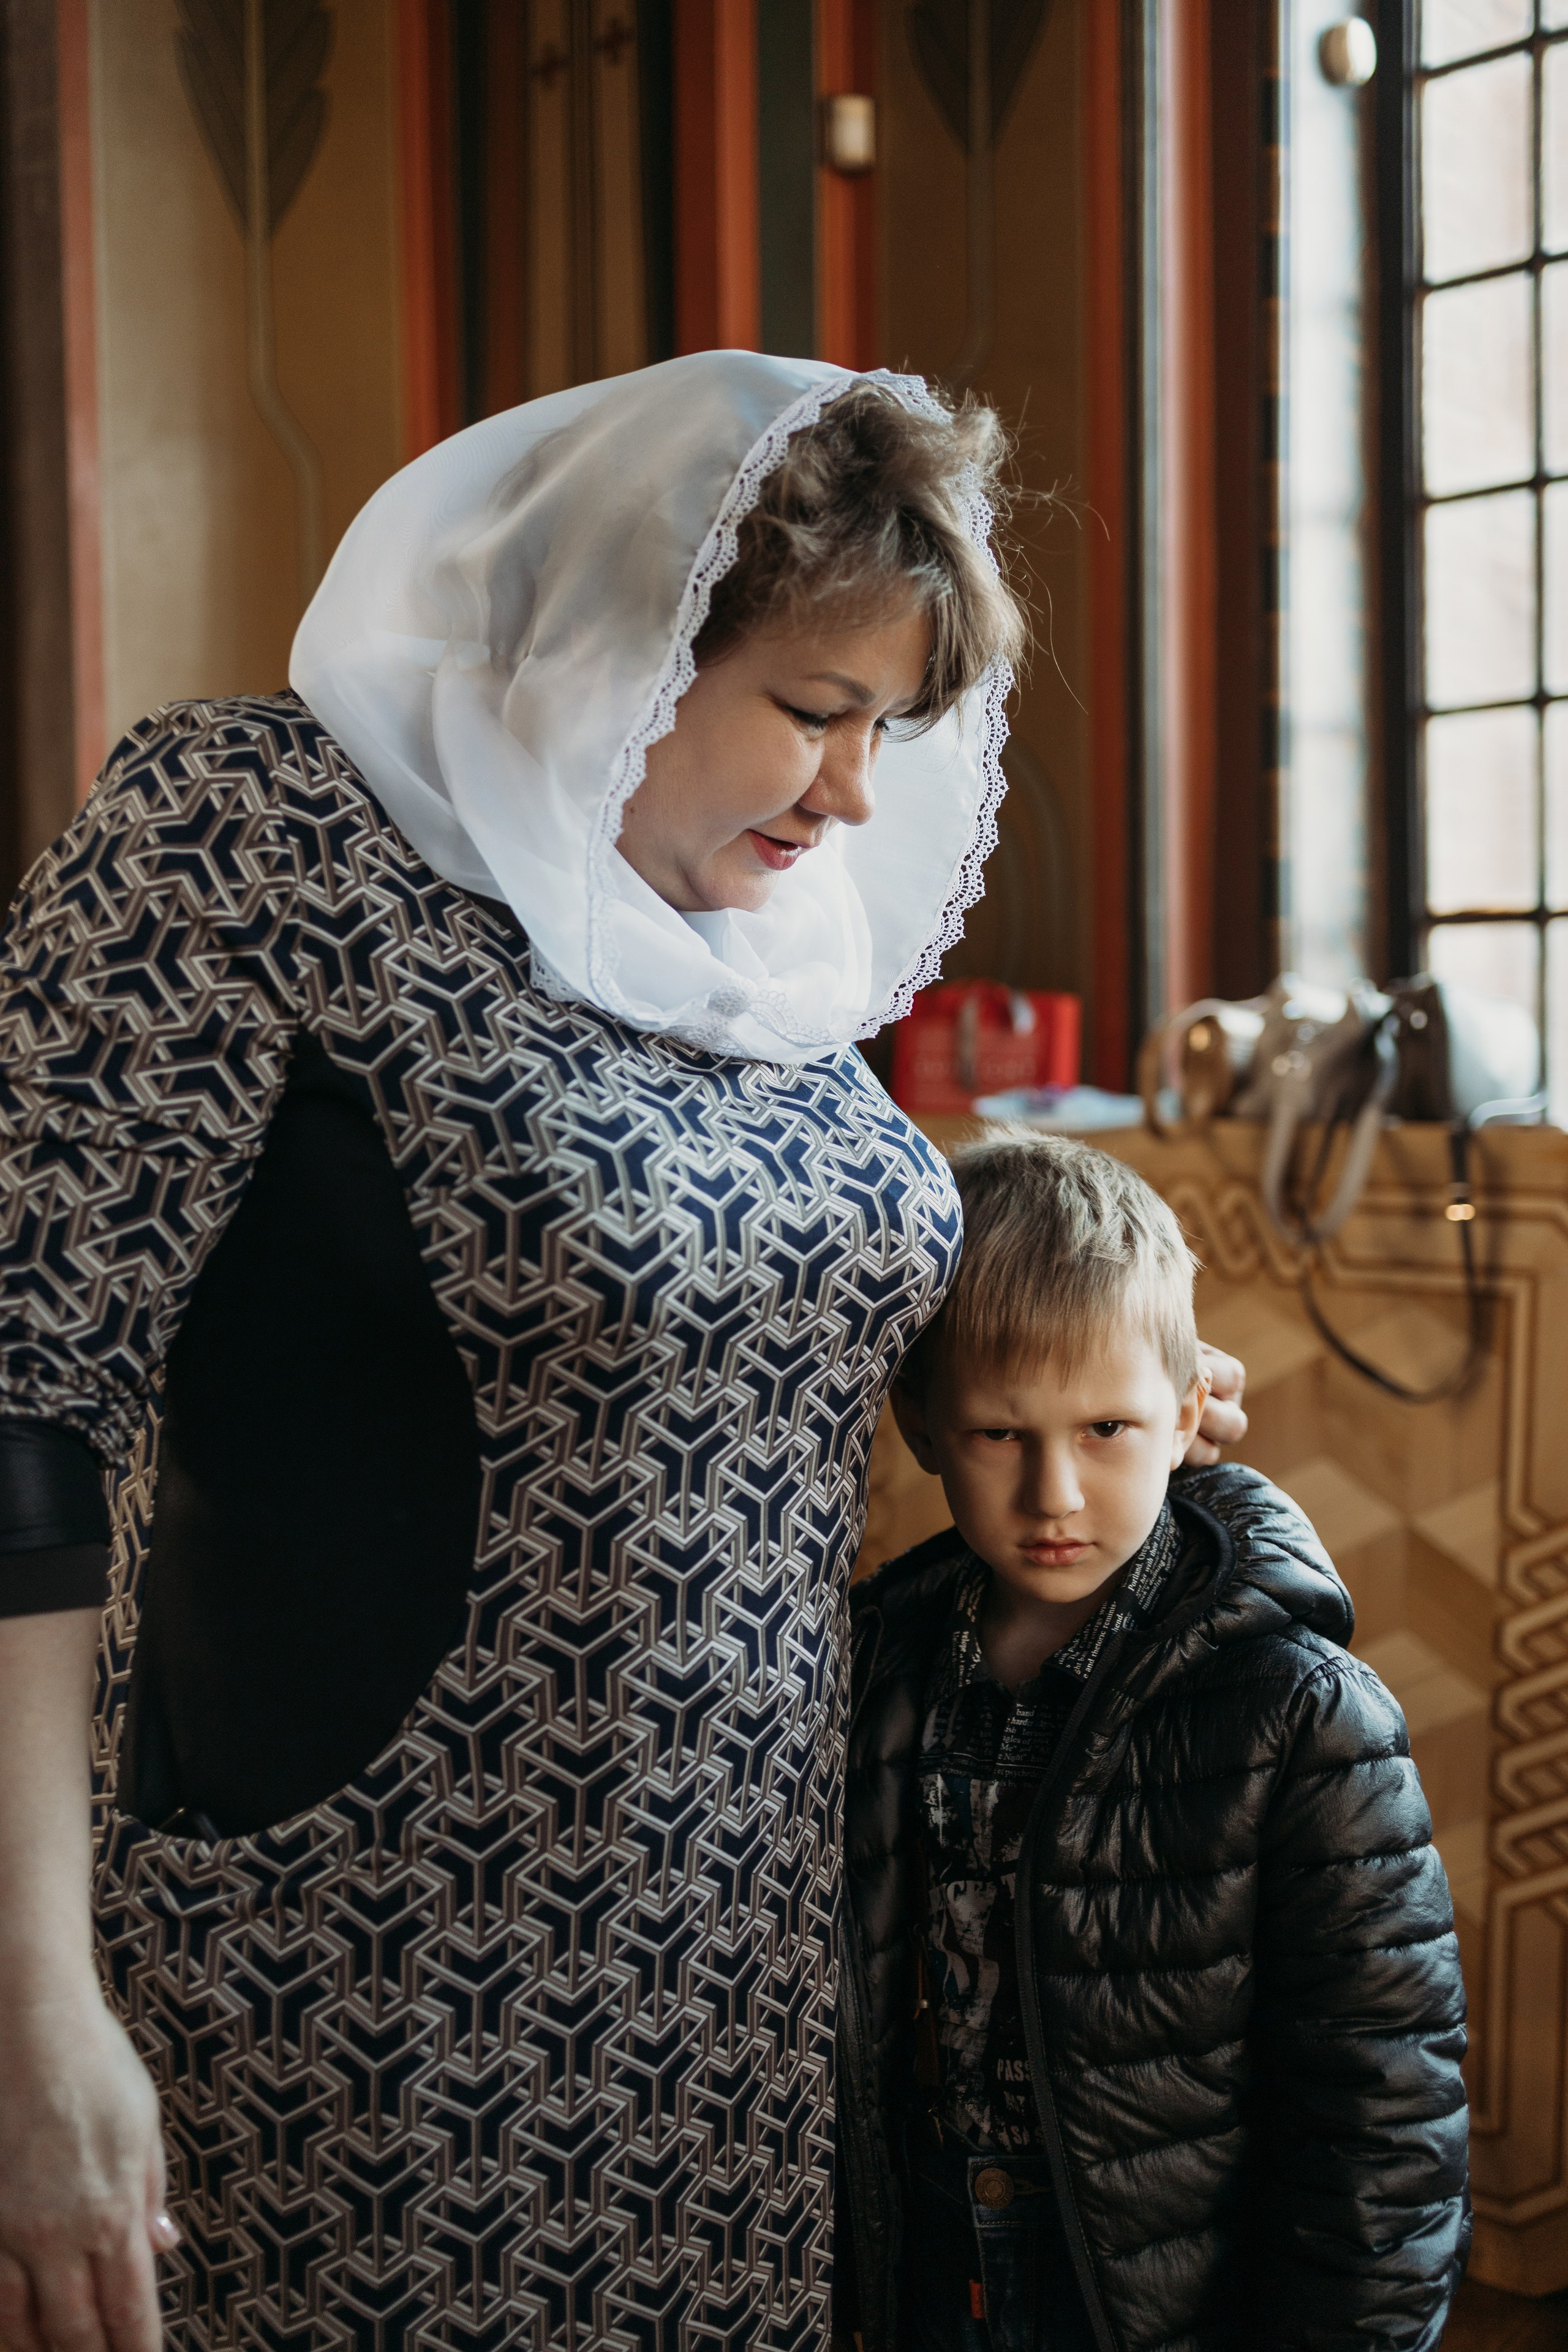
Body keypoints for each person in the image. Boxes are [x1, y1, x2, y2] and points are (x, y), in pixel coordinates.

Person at [0, 353, 1246, 2352]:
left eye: (887, 728)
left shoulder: (765, 955)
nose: (852, 793)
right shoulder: (254, 840)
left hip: (740, 2002)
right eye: (813, 711)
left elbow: (809, 1334)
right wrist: (29, 1999)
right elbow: (20, 1408)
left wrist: (1128, 1391)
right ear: (619, 631)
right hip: (369, 2001)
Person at [837, 1130, 1468, 2352]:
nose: (1054, 1493)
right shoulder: (872, 1673)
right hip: (927, 2263)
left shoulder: (1300, 1714)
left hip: (1162, 2300)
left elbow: (1380, 2112)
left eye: (1107, 1430)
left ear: (1189, 1414)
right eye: (998, 1435)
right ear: (919, 1426)